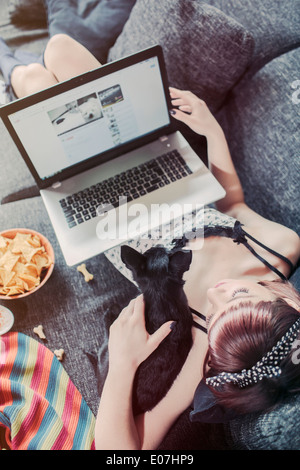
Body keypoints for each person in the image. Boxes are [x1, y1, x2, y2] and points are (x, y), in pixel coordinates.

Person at [1, 34, 299, 449]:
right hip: (160, 165)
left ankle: (10, 70)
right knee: (60, 48)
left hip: (110, 208)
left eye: (213, 316)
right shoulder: (279, 246)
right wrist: (210, 127)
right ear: (288, 299)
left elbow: (119, 453)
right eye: (236, 295)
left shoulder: (205, 352)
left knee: (32, 83)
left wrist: (123, 363)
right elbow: (234, 204)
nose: (215, 295)